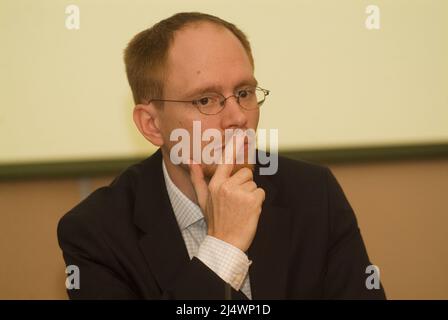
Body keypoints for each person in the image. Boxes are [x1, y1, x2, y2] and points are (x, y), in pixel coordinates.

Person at [57, 12, 386, 299]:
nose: (238, 117)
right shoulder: (96, 231)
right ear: (152, 124)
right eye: (206, 100)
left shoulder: (314, 194)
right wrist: (222, 248)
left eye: (244, 93)